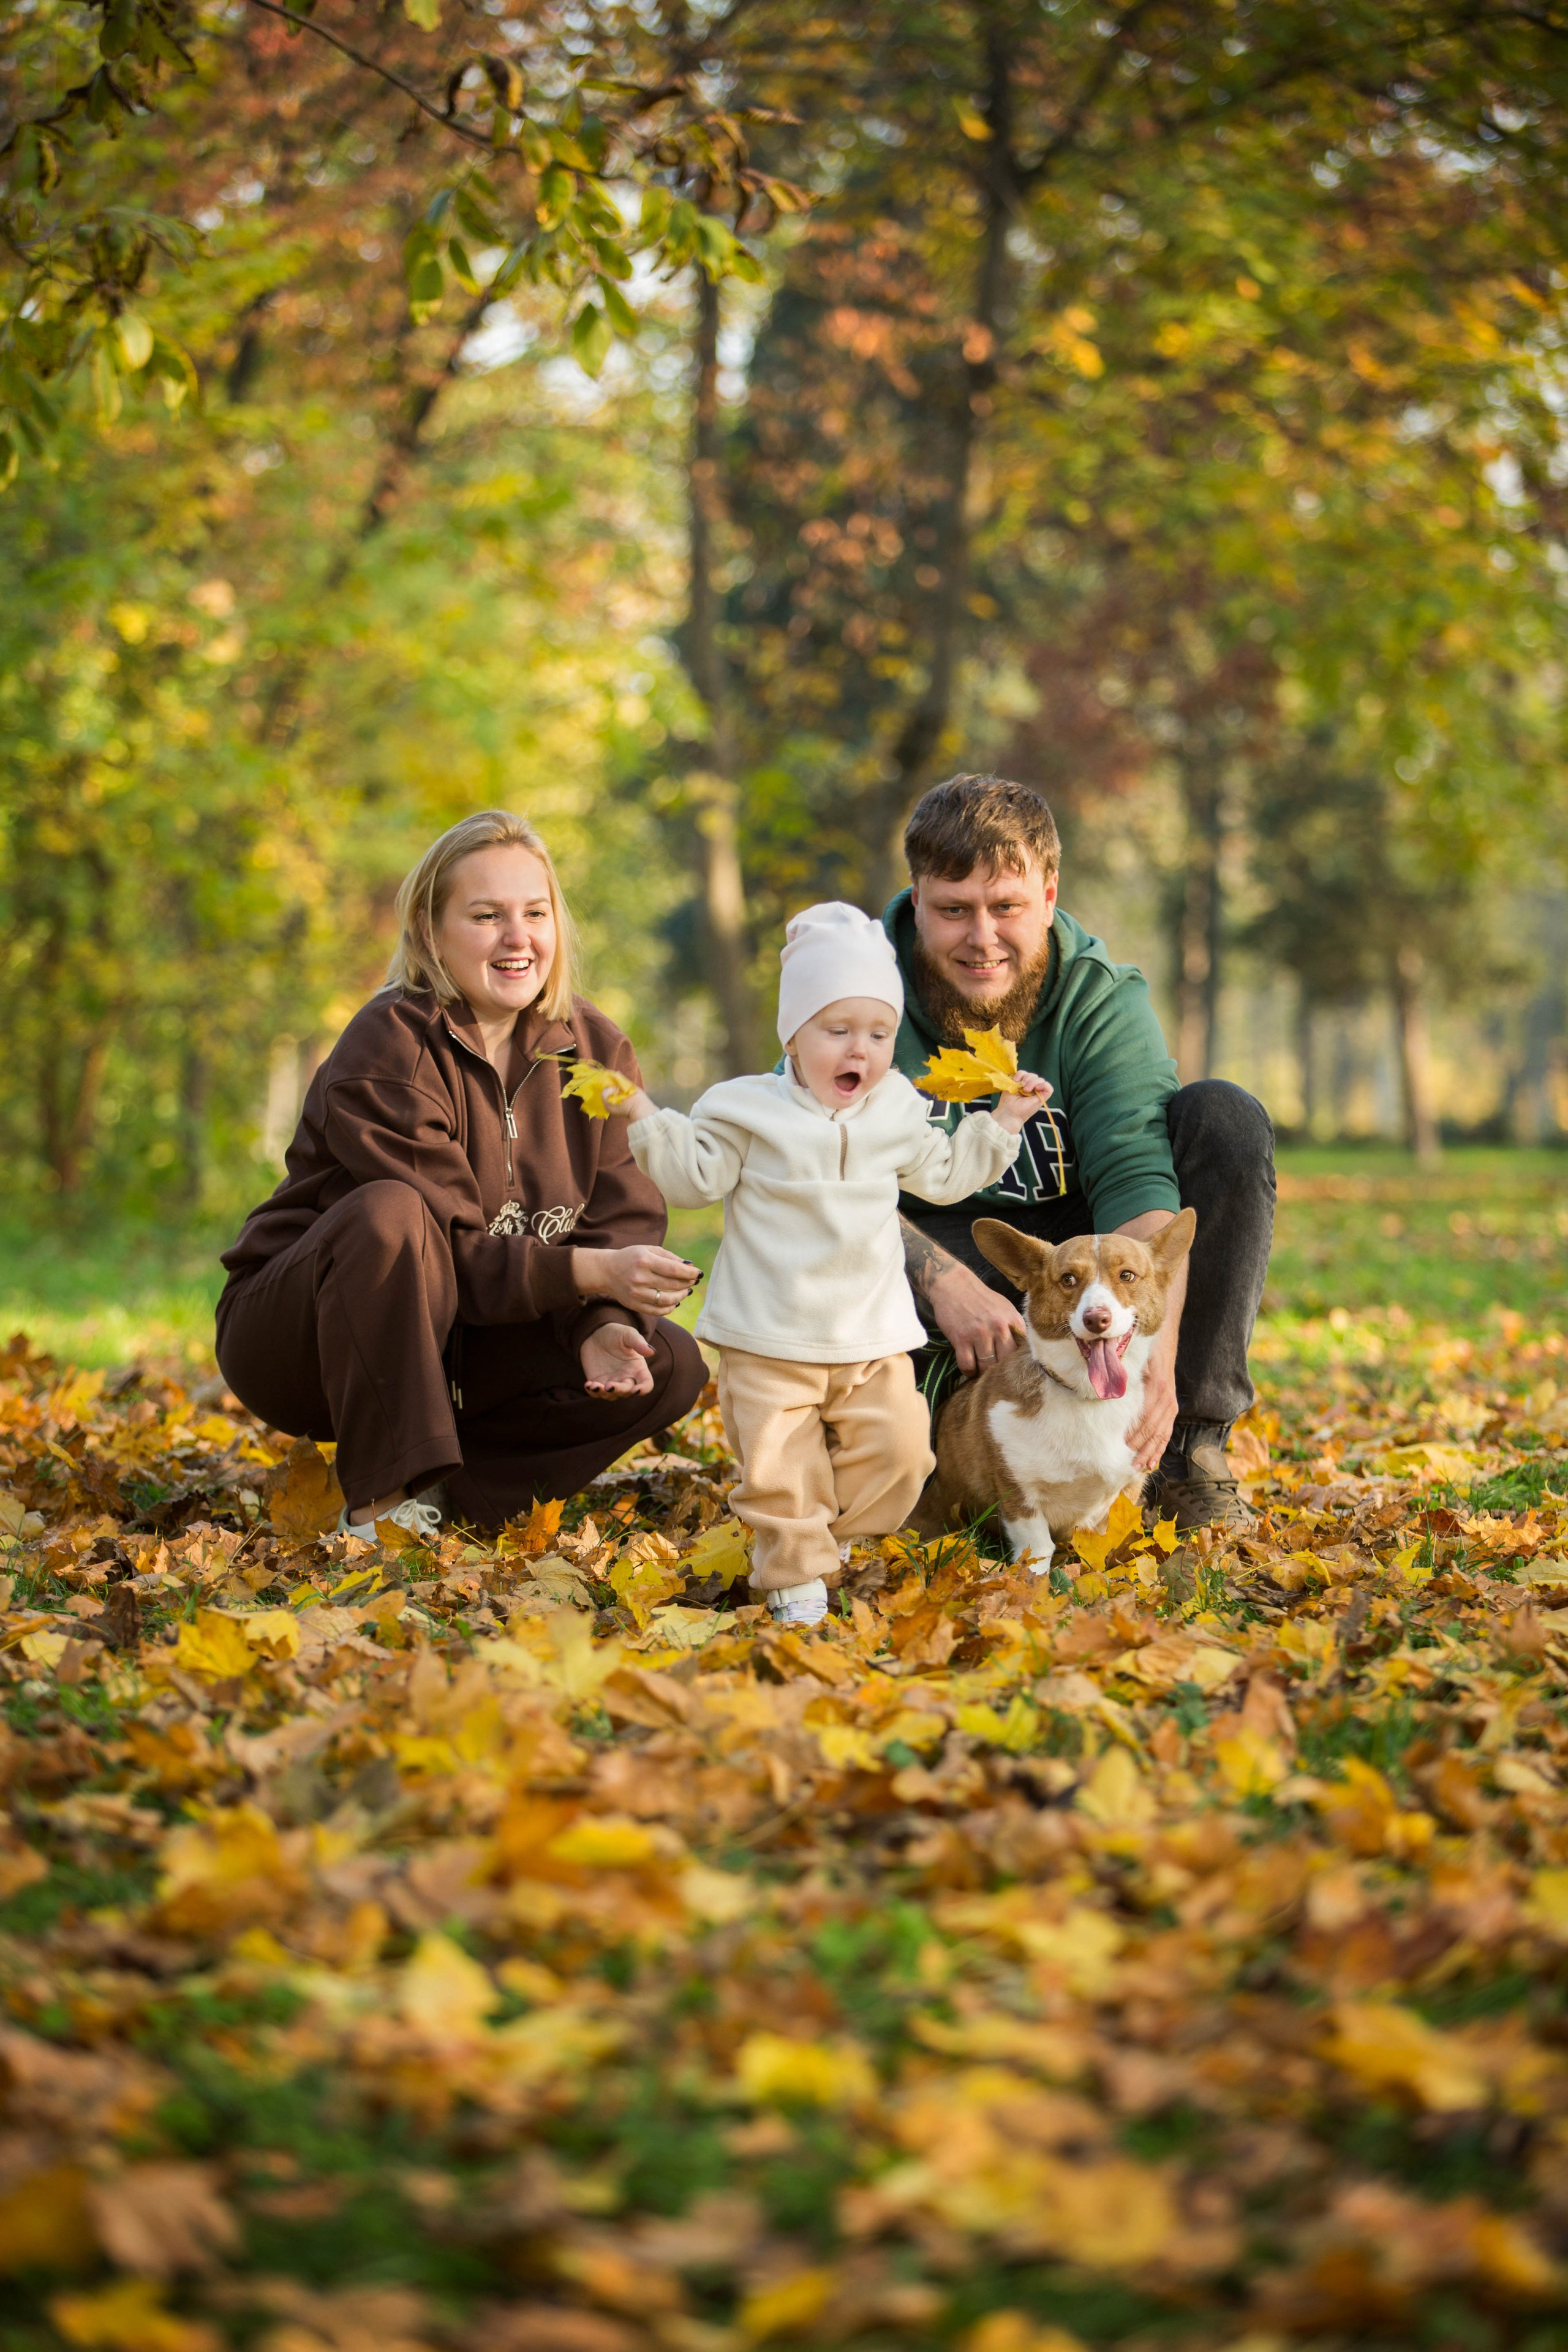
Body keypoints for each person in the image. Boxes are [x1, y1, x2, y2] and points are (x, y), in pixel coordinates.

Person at [214, 810, 707, 1534]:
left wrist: (602, 1321)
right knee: (391, 1214)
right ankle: (381, 1505)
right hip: (307, 1336)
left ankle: (455, 1493)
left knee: (671, 1363)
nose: (519, 938)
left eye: (535, 913)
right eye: (487, 916)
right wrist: (592, 1276)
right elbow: (450, 1255)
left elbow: (619, 1215)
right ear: (427, 930)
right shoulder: (388, 1047)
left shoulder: (595, 1049)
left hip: (467, 1342)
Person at [609, 901, 1052, 1626]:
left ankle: (827, 1544)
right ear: (793, 1034)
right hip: (769, 1334)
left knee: (903, 1456)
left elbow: (942, 1175)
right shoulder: (744, 1108)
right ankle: (792, 1581)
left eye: (878, 1033)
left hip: (871, 1335)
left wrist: (1001, 1124)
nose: (860, 1051)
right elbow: (693, 1179)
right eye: (836, 1030)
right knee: (780, 1467)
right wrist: (646, 1118)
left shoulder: (897, 1108)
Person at [886, 774, 1275, 1529]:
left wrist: (1148, 1340)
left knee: (1223, 1119)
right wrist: (944, 1282)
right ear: (916, 899)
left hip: (1080, 1240)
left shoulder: (1099, 997)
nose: (982, 938)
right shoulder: (852, 987)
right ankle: (922, 1434)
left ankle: (1185, 1445)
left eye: (1007, 908)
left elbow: (1137, 1178)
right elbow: (805, 1167)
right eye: (953, 911)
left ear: (1049, 896)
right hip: (911, 1235)